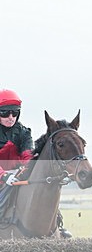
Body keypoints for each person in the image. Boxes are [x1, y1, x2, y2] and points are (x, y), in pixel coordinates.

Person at [0, 89, 72, 237]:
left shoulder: (24, 132)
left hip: (17, 176)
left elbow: (28, 154)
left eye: (15, 113)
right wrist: (3, 175)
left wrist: (26, 169)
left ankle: (56, 224)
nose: (11, 117)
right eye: (5, 113)